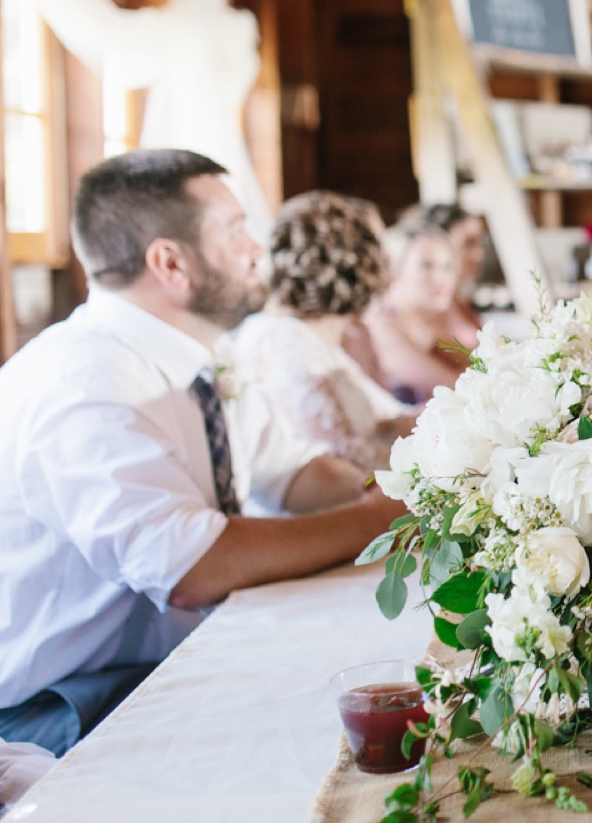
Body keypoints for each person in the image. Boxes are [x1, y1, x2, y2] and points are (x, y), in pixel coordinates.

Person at [0, 150, 408, 757]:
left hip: (180, 656)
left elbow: (293, 470)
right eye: (236, 229)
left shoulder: (204, 353)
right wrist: (378, 521)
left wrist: (402, 490)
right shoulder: (81, 380)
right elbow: (192, 566)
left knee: (383, 669)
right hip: (70, 704)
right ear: (170, 262)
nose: (257, 249)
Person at [234, 191, 417, 472]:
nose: (390, 256)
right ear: (350, 260)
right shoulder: (283, 343)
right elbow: (344, 465)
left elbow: (392, 419)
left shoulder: (317, 342)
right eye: (380, 244)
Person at [364, 220, 471, 405]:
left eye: (448, 267)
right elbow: (456, 387)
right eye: (426, 266)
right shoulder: (381, 325)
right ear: (394, 269)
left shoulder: (431, 318)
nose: (441, 279)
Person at [400, 203, 485, 348]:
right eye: (468, 243)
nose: (479, 254)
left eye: (481, 243)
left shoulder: (456, 301)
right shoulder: (433, 306)